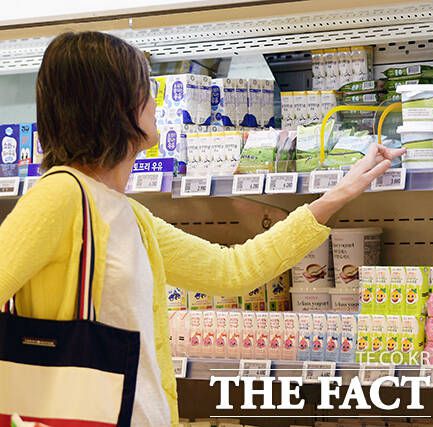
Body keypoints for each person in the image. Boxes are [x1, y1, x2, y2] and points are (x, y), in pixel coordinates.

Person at [0, 32, 403, 426]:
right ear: (113, 104)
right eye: (144, 88)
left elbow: (232, 270)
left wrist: (339, 193)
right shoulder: (60, 196)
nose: (154, 102)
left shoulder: (129, 216)